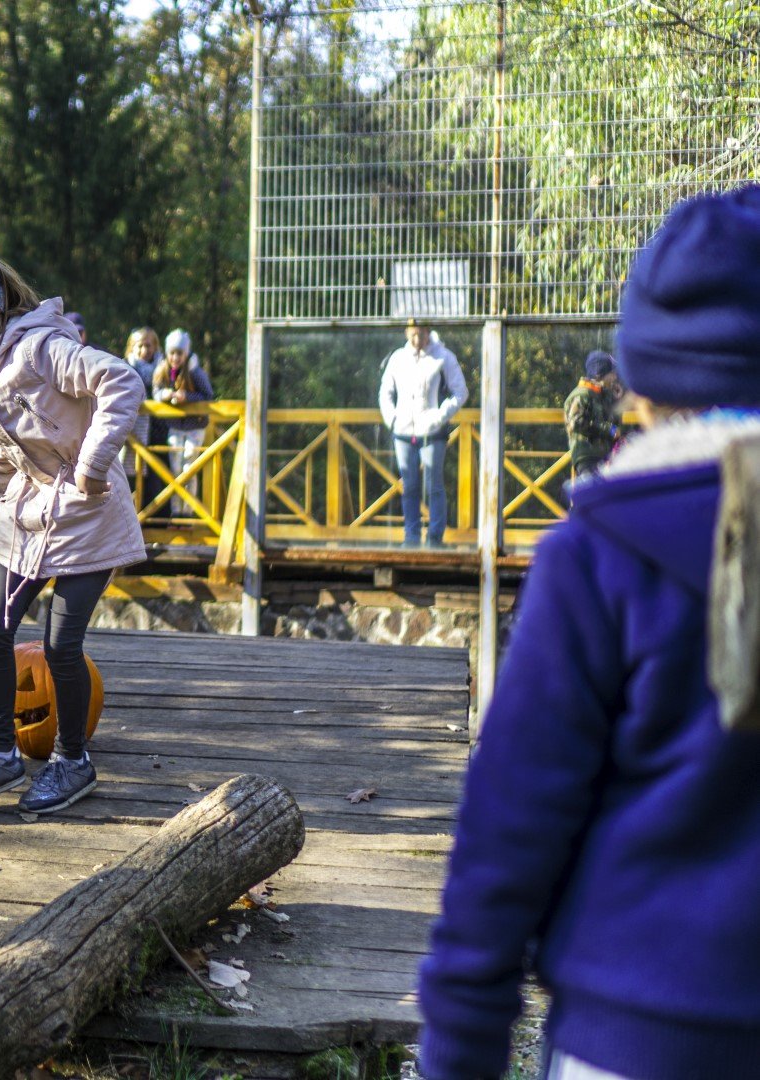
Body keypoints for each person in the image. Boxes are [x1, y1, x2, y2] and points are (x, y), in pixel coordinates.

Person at [417, 187, 760, 1080]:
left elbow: (511, 824)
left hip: (637, 1031)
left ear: (639, 385)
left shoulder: (602, 552)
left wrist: (459, 1047)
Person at [0, 250, 145, 815]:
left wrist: (94, 465)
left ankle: (72, 760)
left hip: (89, 513)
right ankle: (0, 754)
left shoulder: (42, 348)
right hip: (27, 518)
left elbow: (121, 381)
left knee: (59, 644)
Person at [378, 319, 468, 547]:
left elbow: (461, 391)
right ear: (407, 333)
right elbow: (385, 393)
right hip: (403, 430)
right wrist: (392, 419)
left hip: (432, 430)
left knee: (433, 484)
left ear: (428, 331)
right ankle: (411, 537)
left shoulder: (443, 356)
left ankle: (435, 538)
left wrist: (439, 416)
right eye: (413, 336)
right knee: (409, 485)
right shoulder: (398, 358)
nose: (417, 341)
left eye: (421, 335)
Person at [152, 330, 214, 508]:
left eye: (179, 353)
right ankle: (175, 513)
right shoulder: (162, 370)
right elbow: (156, 392)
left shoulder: (195, 372)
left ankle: (187, 513)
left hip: (195, 427)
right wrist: (165, 394)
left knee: (189, 469)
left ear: (186, 353)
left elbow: (208, 396)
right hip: (175, 426)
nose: (175, 357)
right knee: (175, 470)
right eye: (172, 353)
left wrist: (187, 397)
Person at [564, 350, 623, 480]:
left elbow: (615, 425)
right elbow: (576, 422)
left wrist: (615, 400)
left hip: (603, 456)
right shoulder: (581, 395)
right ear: (598, 375)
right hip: (587, 456)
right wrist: (607, 429)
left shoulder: (602, 396)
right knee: (594, 492)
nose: (614, 377)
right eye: (611, 373)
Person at [121, 327, 159, 476]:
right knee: (131, 482)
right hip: (133, 434)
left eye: (148, 345)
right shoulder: (124, 368)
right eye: (140, 346)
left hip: (158, 434)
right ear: (131, 347)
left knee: (157, 485)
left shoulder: (165, 368)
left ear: (155, 347)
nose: (144, 350)